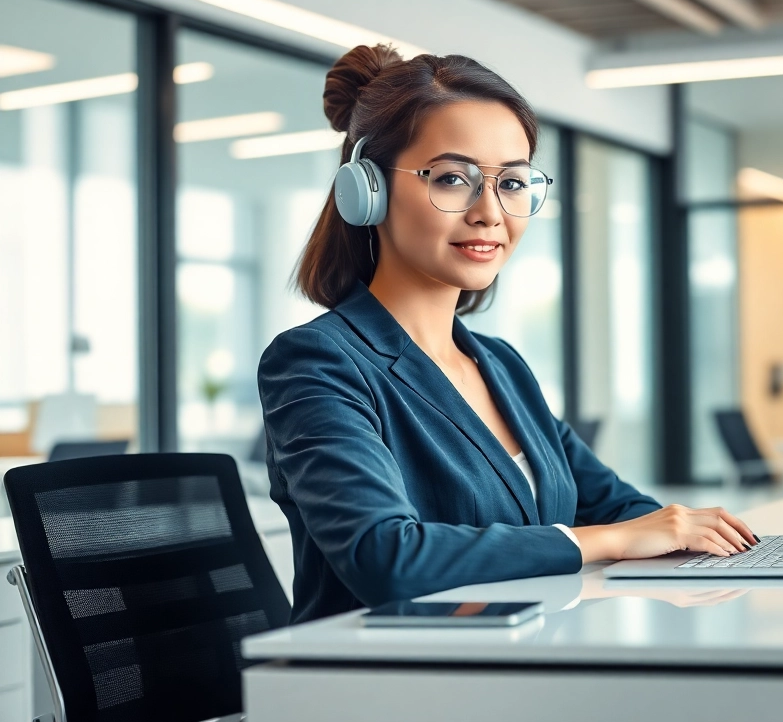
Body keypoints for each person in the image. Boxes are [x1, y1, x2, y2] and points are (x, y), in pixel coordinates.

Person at [259, 45, 757, 623]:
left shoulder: (499, 365)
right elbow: (386, 556)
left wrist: (698, 536)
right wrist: (609, 541)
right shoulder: (316, 361)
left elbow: (620, 508)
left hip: (522, 654)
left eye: (513, 183)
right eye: (453, 178)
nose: (490, 213)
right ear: (368, 189)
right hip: (384, 668)